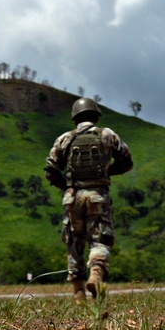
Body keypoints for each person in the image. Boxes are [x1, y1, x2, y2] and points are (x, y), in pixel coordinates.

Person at [45, 97, 133, 301]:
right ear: (95, 116)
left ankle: (78, 292)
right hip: (98, 196)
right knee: (100, 239)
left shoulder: (64, 139)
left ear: (75, 118)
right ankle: (96, 274)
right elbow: (127, 162)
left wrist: (67, 185)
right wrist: (106, 171)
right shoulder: (107, 135)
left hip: (72, 196)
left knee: (74, 242)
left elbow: (50, 170)